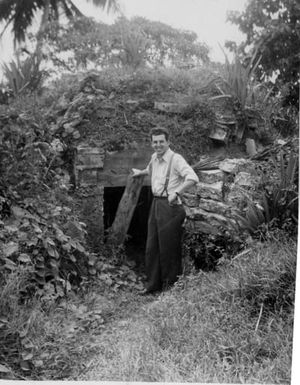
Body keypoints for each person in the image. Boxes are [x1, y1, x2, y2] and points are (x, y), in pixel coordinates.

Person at [132, 126, 199, 294]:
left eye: (161, 141)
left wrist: (177, 192)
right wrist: (140, 172)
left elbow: (192, 177)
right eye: (155, 142)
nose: (158, 145)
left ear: (168, 142)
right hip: (156, 205)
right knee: (152, 246)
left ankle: (170, 288)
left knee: (168, 247)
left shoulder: (176, 159)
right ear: (151, 143)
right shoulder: (154, 158)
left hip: (170, 208)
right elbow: (151, 170)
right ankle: (153, 285)